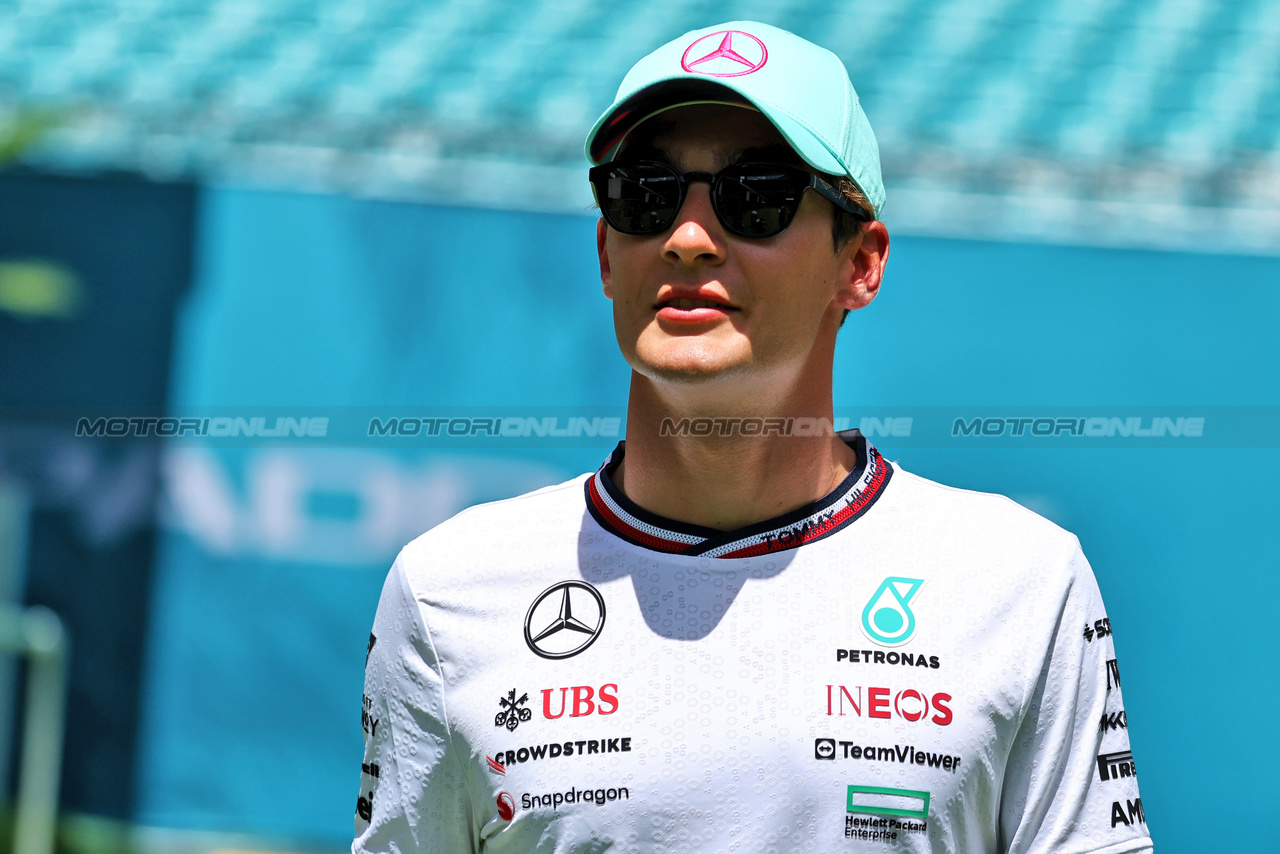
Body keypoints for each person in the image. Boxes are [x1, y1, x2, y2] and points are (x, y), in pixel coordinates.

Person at [352, 21, 1152, 854]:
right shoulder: (448, 592)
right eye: (645, 192)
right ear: (604, 253)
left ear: (862, 263)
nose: (688, 237)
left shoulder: (1022, 583)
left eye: (756, 193)